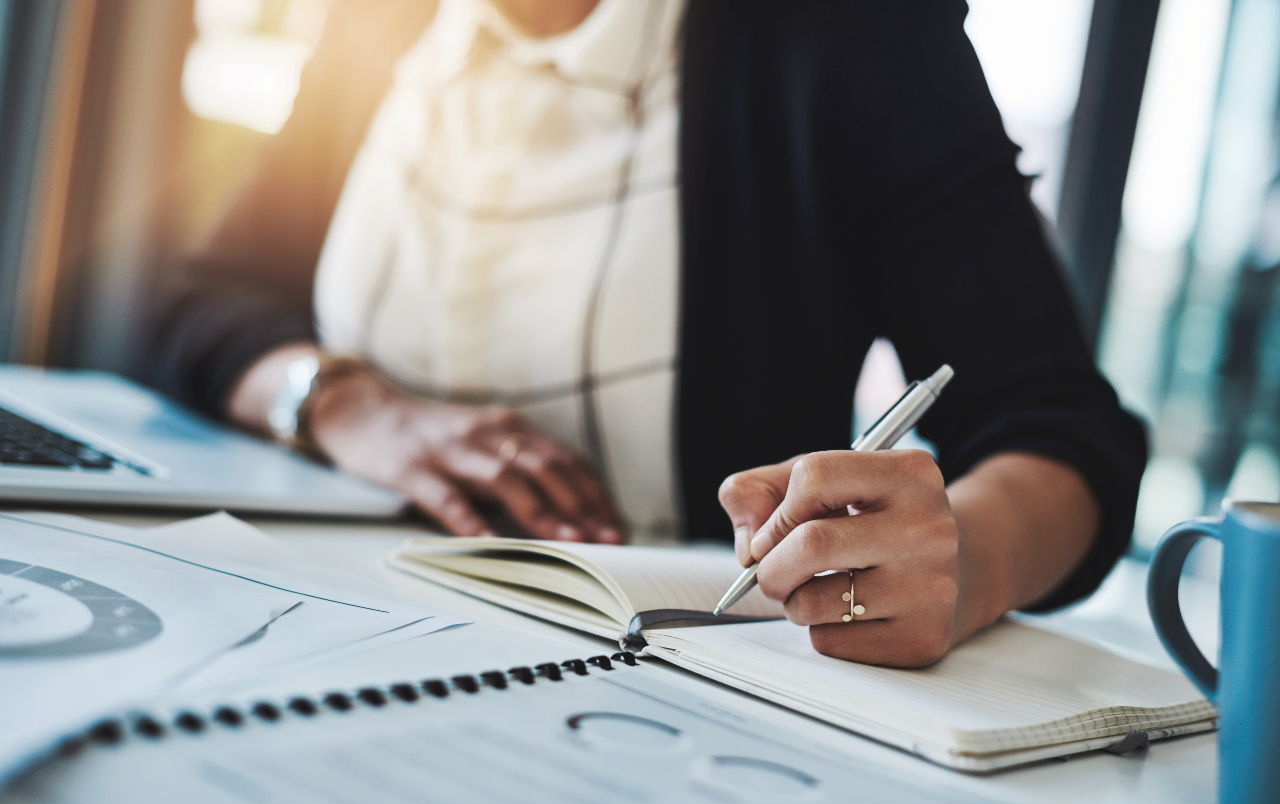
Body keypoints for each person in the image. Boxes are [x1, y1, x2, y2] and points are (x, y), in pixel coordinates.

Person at [149, 0, 1146, 667]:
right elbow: (198, 299)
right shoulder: (382, 24)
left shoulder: (846, 34)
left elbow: (1061, 433)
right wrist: (355, 408)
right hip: (295, 625)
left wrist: (965, 558)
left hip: (652, 676)